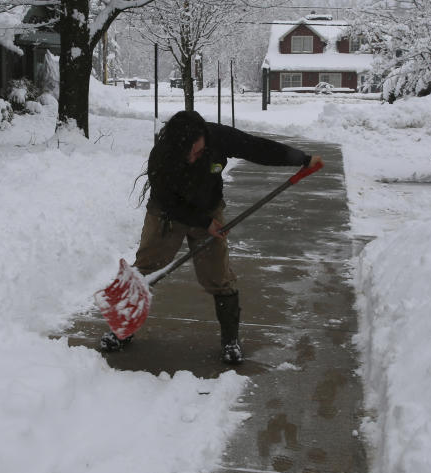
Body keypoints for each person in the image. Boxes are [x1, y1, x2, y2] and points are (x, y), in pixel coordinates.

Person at [101, 110, 322, 364]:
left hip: (208, 207)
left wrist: (302, 159)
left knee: (218, 275)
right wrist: (205, 224)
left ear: (204, 137)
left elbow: (258, 148)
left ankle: (231, 341)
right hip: (168, 213)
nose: (192, 158)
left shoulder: (217, 137)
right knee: (147, 266)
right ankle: (121, 329)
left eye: (196, 151)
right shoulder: (162, 154)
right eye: (186, 154)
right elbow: (168, 201)